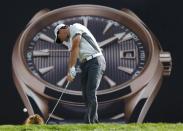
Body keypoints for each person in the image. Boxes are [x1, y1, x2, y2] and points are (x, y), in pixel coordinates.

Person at [54, 23, 106, 123]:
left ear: (62, 29)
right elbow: (72, 55)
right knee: (85, 94)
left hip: (96, 61)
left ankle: (89, 123)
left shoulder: (75, 27)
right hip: (85, 64)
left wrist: (72, 68)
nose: (61, 40)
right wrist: (70, 71)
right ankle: (93, 121)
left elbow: (76, 46)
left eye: (59, 37)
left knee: (90, 91)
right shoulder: (69, 41)